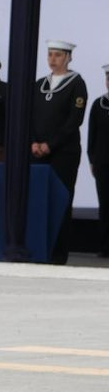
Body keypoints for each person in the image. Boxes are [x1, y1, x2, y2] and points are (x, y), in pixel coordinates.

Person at [32, 41, 88, 263]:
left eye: (57, 55)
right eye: (50, 54)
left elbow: (74, 121)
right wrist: (33, 142)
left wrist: (51, 144)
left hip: (63, 153)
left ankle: (57, 254)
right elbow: (30, 116)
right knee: (38, 199)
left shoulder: (77, 84)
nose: (52, 59)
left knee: (60, 200)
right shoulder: (39, 84)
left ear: (68, 57)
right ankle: (38, 248)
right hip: (37, 151)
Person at [89, 61, 109, 256]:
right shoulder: (99, 104)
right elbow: (92, 136)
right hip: (103, 163)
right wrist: (92, 160)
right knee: (105, 205)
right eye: (108, 78)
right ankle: (104, 247)